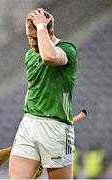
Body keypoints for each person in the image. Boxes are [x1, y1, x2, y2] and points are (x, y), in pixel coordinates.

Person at [9, 8, 78, 179]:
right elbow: (32, 86)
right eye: (29, 37)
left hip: (56, 128)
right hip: (29, 124)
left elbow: (49, 57)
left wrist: (41, 28)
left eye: (35, 37)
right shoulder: (30, 56)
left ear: (49, 32)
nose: (32, 43)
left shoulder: (67, 49)